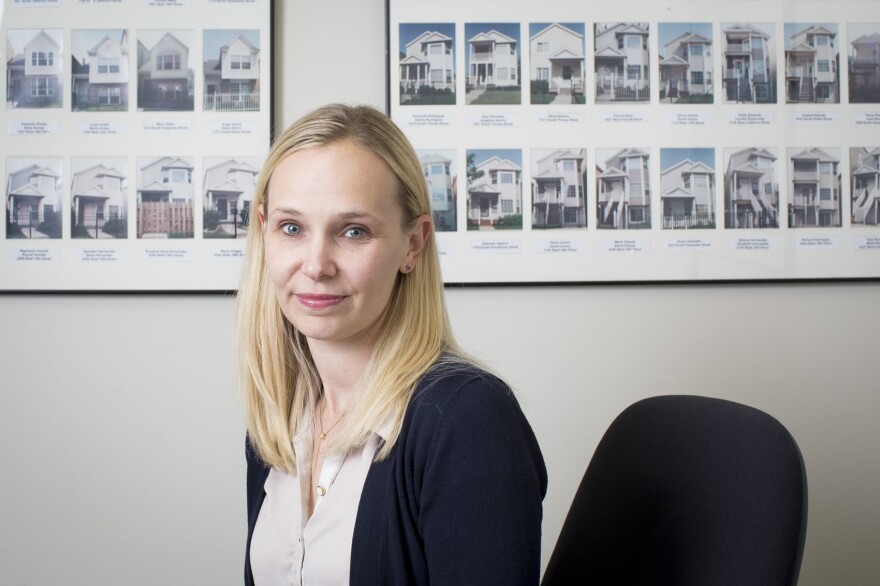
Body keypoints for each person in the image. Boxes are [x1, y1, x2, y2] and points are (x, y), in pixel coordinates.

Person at [237, 103, 547, 585]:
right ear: (264, 232)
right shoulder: (279, 421)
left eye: (353, 231)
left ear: (413, 244)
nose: (316, 265)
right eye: (291, 228)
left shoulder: (467, 421)